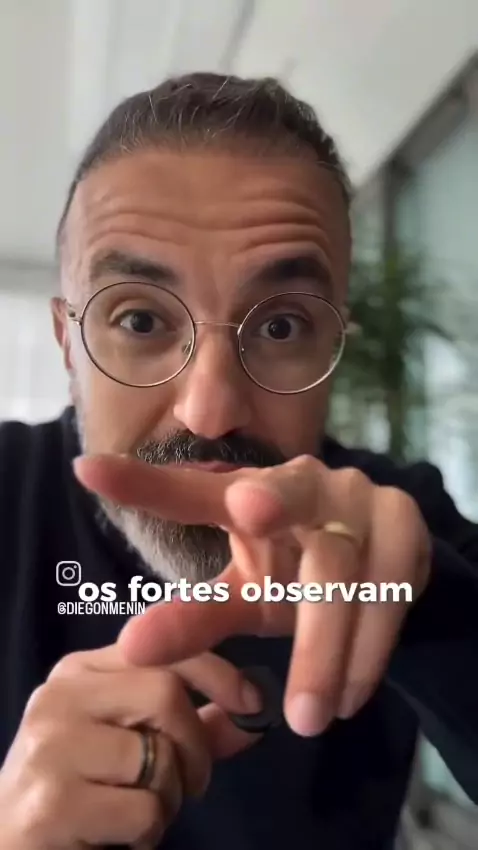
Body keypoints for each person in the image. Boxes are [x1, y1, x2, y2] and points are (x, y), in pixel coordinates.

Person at [0, 72, 477, 850]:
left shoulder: (399, 524)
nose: (210, 411)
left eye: (282, 327)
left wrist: (431, 614)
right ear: (66, 342)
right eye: (141, 320)